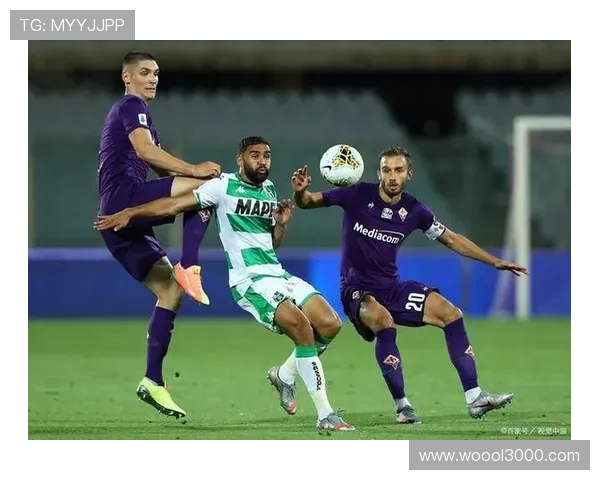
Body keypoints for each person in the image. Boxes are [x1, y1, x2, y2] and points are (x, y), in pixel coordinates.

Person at [94, 136, 355, 431]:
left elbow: (272, 244)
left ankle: (284, 375)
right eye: (254, 155)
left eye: (266, 155)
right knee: (303, 331)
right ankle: (325, 414)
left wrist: (281, 224)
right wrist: (131, 212)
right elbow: (173, 205)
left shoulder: (269, 190)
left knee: (330, 324)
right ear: (240, 160)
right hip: (250, 281)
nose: (262, 161)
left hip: (278, 274)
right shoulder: (222, 186)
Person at [289, 146, 528, 424]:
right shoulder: (356, 194)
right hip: (356, 291)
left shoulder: (415, 211)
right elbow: (309, 202)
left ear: (408, 175)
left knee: (451, 314)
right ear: (378, 173)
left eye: (399, 170)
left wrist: (494, 261)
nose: (393, 176)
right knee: (384, 322)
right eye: (387, 170)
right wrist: (300, 193)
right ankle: (402, 406)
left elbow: (451, 239)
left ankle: (475, 397)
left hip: (392, 289)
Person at [97, 51, 221, 420]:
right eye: (145, 72)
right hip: (124, 200)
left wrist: (187, 177)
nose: (152, 79)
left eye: (156, 73)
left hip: (116, 219)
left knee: (170, 292)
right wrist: (194, 170)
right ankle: (191, 266)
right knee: (208, 188)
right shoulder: (130, 105)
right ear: (127, 77)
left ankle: (153, 381)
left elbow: (155, 164)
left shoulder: (140, 117)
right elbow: (145, 151)